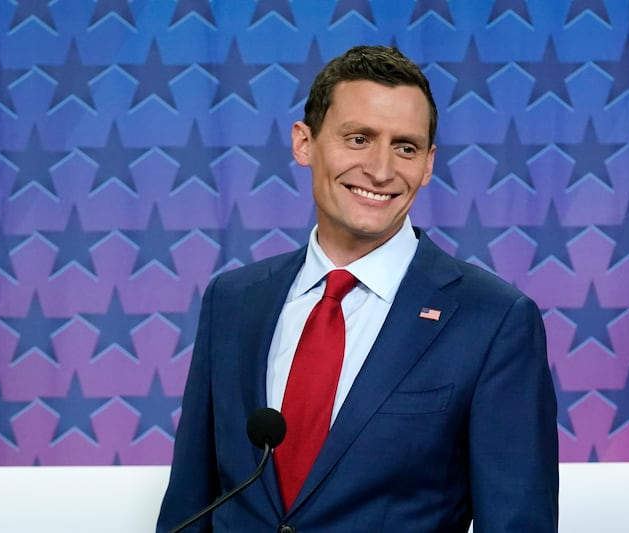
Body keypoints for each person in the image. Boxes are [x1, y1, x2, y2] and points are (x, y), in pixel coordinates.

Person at [156, 44, 559, 533]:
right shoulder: (233, 301)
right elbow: (190, 505)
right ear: (304, 143)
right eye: (359, 139)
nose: (382, 169)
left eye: (406, 147)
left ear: (429, 164)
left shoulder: (493, 319)